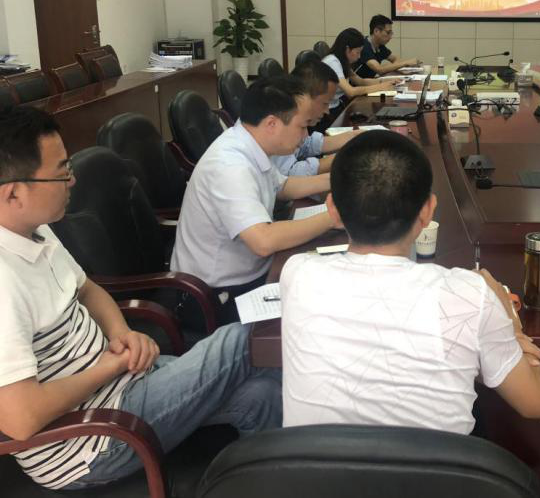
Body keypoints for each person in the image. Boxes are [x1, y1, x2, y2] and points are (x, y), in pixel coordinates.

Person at [0, 105, 281, 490]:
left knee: (262, 396)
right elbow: (21, 419)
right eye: (61, 172)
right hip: (89, 441)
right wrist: (110, 367)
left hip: (120, 384)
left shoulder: (33, 228)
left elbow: (87, 288)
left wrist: (121, 334)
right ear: (13, 193)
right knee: (241, 339)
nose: (72, 180)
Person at [280, 130, 540, 434]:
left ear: (333, 210)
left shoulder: (297, 274)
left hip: (313, 466)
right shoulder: (470, 296)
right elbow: (536, 404)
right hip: (438, 467)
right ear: (427, 212)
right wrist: (509, 320)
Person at [171, 76, 338, 321]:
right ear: (272, 124)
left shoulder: (251, 144)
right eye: (302, 127)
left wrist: (341, 179)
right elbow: (263, 241)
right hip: (215, 298)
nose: (305, 136)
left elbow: (284, 186)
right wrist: (333, 216)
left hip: (252, 274)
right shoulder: (230, 165)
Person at [273, 58, 365, 176]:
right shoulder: (279, 120)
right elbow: (290, 173)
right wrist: (346, 156)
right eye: (325, 103)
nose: (327, 111)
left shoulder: (295, 117)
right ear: (304, 97)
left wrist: (356, 137)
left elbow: (306, 145)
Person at [319, 27, 400, 130]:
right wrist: (381, 87)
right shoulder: (332, 62)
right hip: (325, 114)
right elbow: (350, 92)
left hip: (336, 107)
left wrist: (386, 81)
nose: (359, 57)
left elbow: (360, 81)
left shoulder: (342, 61)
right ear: (347, 49)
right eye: (358, 52)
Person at [354, 14, 421, 78]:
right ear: (376, 31)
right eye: (388, 32)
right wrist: (405, 63)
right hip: (359, 84)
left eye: (391, 33)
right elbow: (379, 69)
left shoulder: (379, 45)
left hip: (370, 81)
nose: (390, 37)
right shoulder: (364, 46)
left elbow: (395, 59)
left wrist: (398, 66)